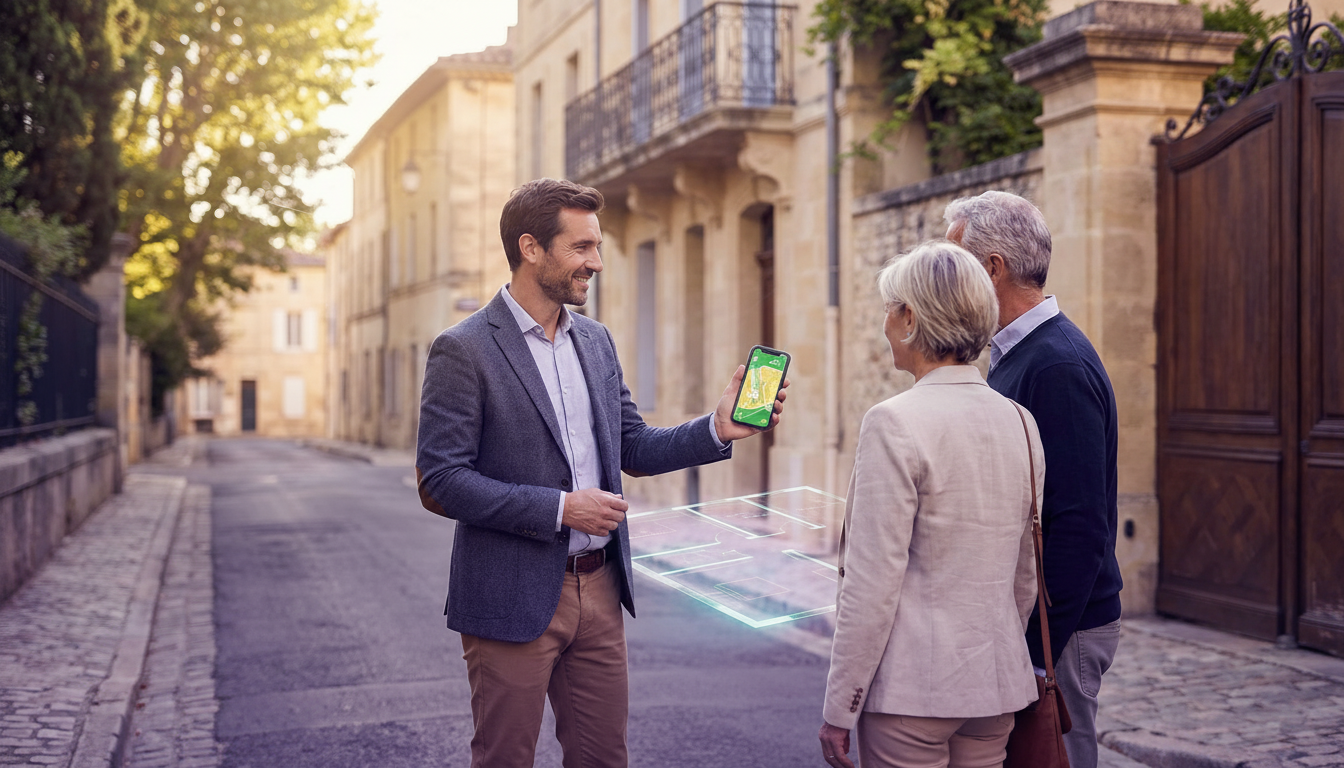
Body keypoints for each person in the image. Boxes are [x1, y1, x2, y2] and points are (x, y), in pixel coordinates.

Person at [414, 178, 787, 768]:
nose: (597, 263)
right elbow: (440, 480)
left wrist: (717, 428)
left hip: (602, 589)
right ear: (531, 248)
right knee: (504, 759)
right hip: (512, 594)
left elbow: (632, 446)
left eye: (597, 246)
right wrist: (562, 509)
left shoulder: (595, 340)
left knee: (603, 758)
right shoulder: (463, 349)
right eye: (582, 247)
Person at [819, 241, 1043, 768]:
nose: (883, 325)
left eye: (888, 311)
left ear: (911, 318)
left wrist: (840, 706)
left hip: (912, 691)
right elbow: (1025, 573)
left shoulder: (894, 421)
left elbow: (872, 583)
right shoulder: (1020, 421)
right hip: (994, 687)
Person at [945, 190, 1123, 768]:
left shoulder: (1057, 365)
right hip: (1039, 626)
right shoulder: (1015, 352)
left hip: (1061, 633)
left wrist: (1038, 654)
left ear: (992, 268)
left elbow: (1078, 525)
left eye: (958, 263)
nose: (949, 281)